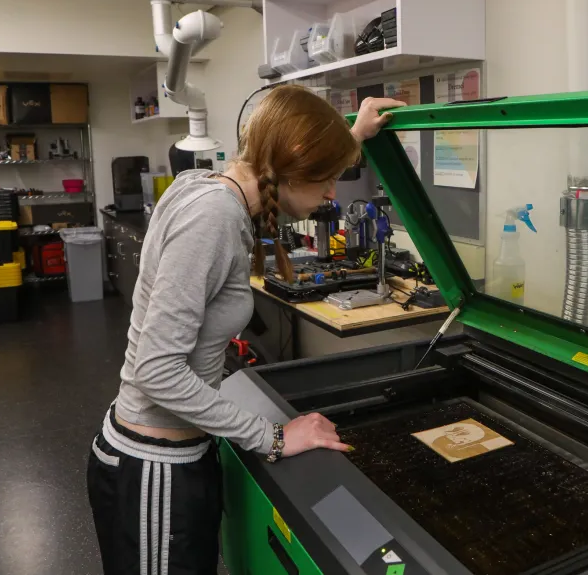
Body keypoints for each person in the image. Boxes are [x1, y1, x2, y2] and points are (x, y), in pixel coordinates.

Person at [86, 86, 406, 575]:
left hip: (171, 455)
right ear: (290, 167)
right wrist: (273, 437)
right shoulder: (213, 216)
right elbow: (157, 371)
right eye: (325, 178)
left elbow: (284, 167)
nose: (331, 194)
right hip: (154, 469)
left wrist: (349, 135)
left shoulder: (208, 185)